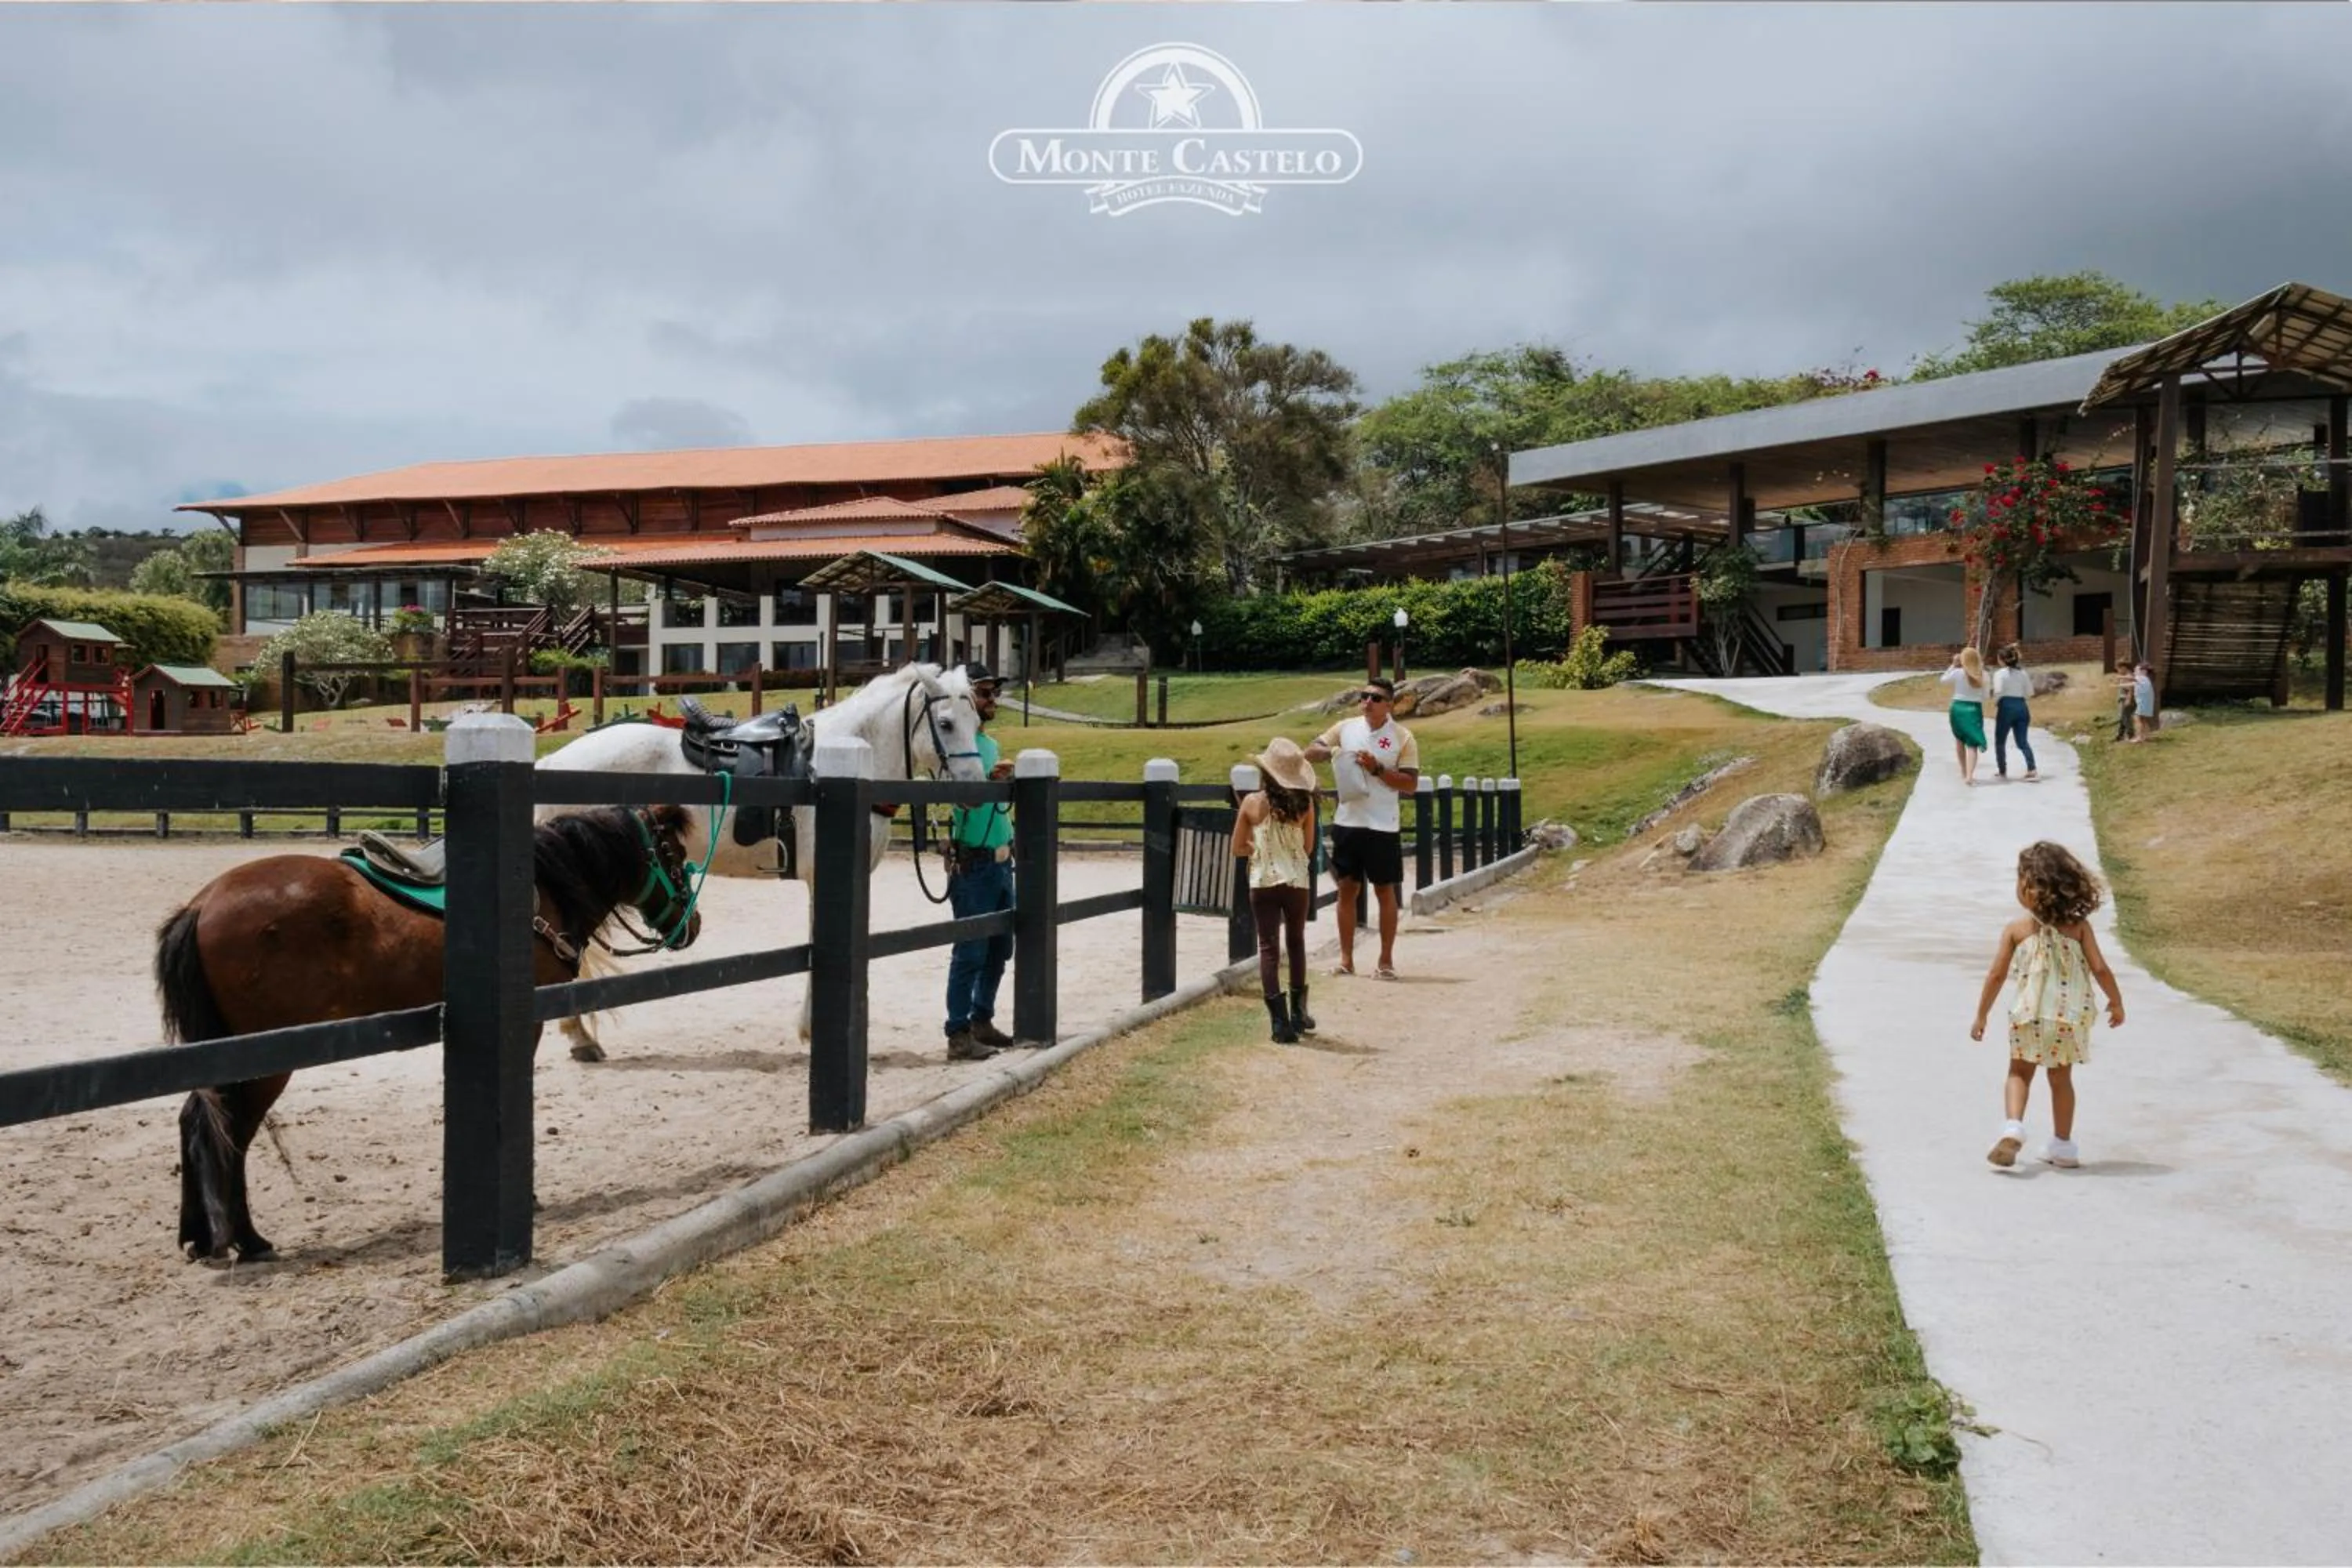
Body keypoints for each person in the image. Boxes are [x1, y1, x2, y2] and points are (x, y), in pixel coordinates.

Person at [1969, 841, 2126, 1170]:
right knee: (2061, 1078)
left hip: (2030, 1016)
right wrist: (2116, 1001)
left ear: (2028, 887)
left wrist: (1981, 1014)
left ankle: (2013, 1127)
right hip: (2068, 1019)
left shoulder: (2017, 930)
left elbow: (1996, 975)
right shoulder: (2079, 928)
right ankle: (2063, 1146)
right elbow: (2100, 968)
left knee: (2019, 1072)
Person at [1302, 677, 1420, 979]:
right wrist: (1332, 752)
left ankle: (1385, 961)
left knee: (1384, 890)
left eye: (1376, 698)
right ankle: (1346, 960)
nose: (1368, 702)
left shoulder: (1403, 737)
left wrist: (1377, 769)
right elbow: (1310, 751)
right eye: (1364, 696)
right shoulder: (1346, 728)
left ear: (1389, 705)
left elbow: (1410, 784)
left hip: (1383, 824)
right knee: (1346, 889)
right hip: (1348, 820)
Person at [942, 662, 1018, 1062]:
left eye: (994, 693)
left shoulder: (990, 745)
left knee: (1001, 948)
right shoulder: (956, 747)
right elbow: (955, 798)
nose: (992, 700)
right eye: (985, 693)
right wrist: (988, 784)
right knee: (970, 951)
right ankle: (958, 1032)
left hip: (1001, 860)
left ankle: (980, 1018)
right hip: (974, 863)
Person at [1230, 736, 1319, 1044]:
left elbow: (1237, 848)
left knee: (1268, 947)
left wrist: (1257, 848)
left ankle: (1279, 1023)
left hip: (1263, 882)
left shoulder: (1251, 804)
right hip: (1296, 882)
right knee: (1296, 942)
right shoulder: (1305, 805)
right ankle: (1299, 1013)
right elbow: (1308, 848)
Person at [1938, 645, 1991, 786]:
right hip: (1974, 709)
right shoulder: (1984, 675)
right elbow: (1986, 696)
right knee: (1972, 744)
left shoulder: (1958, 673)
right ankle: (1970, 776)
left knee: (1959, 740)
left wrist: (1953, 665)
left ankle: (1963, 771)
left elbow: (1942, 680)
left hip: (1957, 708)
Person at [1991, 644, 2039, 782]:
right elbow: (2030, 692)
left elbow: (1998, 691)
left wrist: (1996, 702)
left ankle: (2002, 770)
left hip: (2006, 707)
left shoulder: (1999, 674)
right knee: (2022, 741)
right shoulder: (2023, 673)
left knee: (2000, 741)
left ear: (2002, 660)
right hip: (2022, 706)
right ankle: (2032, 769)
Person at [2132, 661, 2159, 742]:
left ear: (2144, 671)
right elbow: (2131, 684)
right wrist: (2117, 685)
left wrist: (2119, 677)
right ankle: (2146, 736)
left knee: (2137, 718)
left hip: (2143, 702)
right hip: (2145, 702)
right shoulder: (2145, 679)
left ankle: (2139, 737)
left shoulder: (2141, 678)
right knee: (2143, 720)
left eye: (2136, 670)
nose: (2134, 672)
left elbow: (2131, 679)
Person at [2111, 659, 2137, 744]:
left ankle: (2131, 735)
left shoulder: (2129, 676)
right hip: (2123, 699)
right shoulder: (2124, 676)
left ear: (2124, 668)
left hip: (2126, 699)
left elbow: (2131, 689)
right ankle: (2120, 735)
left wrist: (2129, 699)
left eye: (2119, 669)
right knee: (2123, 718)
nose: (2118, 671)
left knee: (2126, 718)